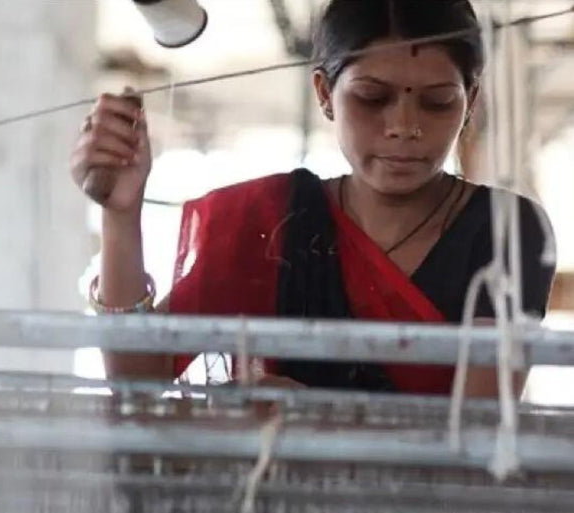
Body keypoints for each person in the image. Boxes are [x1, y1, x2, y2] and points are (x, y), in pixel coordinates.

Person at [70, 0, 555, 397]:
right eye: (371, 97)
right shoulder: (272, 221)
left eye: (437, 102)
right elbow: (139, 381)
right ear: (324, 93)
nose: (404, 127)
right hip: (274, 512)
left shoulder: (507, 230)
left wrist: (316, 419)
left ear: (470, 100)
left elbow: (480, 434)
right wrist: (120, 214)